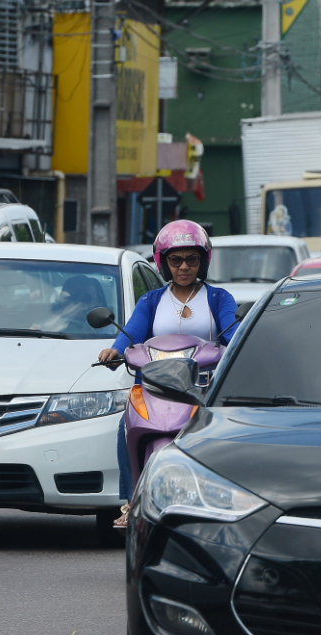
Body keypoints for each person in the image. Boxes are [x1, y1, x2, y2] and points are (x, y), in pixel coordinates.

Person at [97, 220, 239, 528]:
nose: (184, 267)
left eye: (192, 259)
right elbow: (131, 333)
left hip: (204, 387)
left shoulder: (218, 298)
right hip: (153, 387)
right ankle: (131, 500)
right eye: (176, 260)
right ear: (163, 262)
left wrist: (243, 345)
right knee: (126, 426)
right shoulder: (151, 300)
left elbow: (234, 331)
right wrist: (115, 349)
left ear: (203, 262)